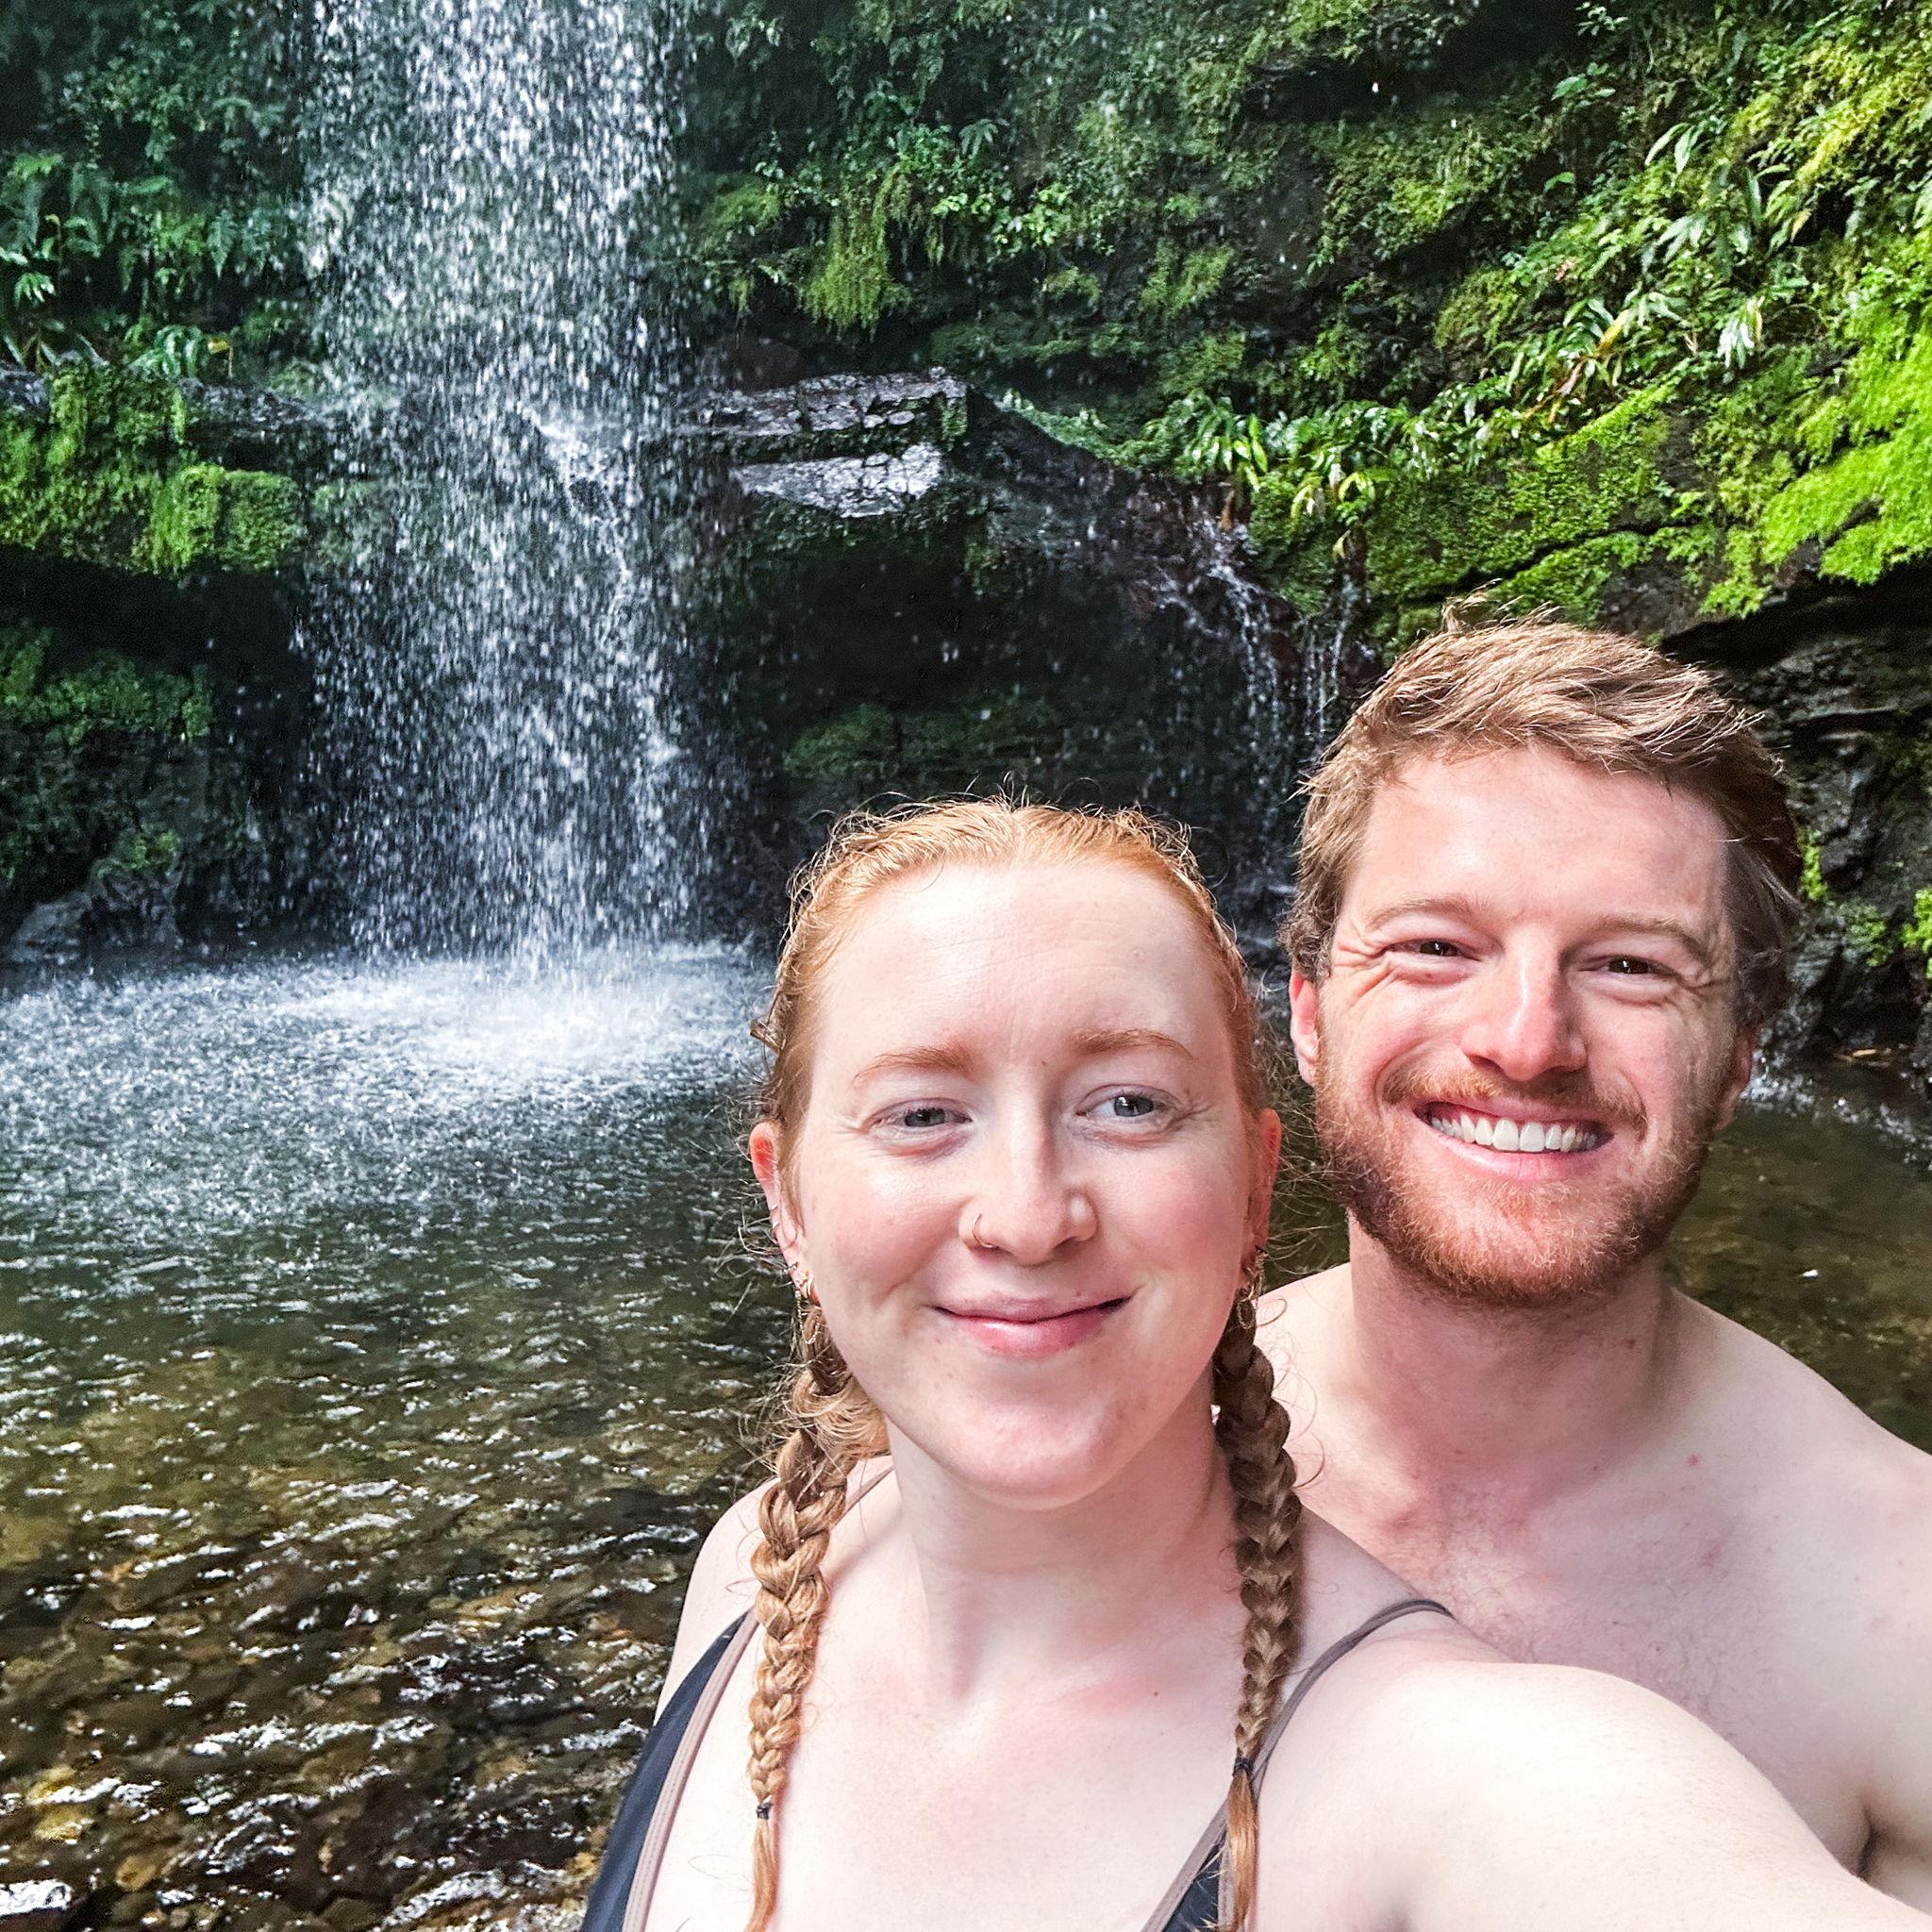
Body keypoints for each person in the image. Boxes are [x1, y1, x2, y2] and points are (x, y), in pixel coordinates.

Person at [582, 796, 1924, 1932]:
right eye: (924, 1114)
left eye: (1130, 1105)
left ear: (1250, 1194)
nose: (1029, 1213)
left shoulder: (1467, 1765)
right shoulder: (752, 1581)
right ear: (789, 1206)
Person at [1264, 618, 1932, 1909]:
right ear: (1305, 1010)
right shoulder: (1099, 1464)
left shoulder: (1897, 1602)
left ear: (1740, 1054)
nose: (1527, 1041)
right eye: (1437, 947)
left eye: (1629, 966)